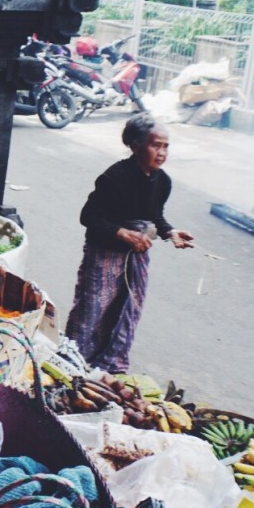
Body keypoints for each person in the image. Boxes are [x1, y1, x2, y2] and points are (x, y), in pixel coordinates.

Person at [65, 114, 194, 373]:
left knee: (124, 309)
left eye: (166, 146)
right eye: (155, 145)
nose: (162, 153)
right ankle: (71, 363)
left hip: (135, 255)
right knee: (92, 310)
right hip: (104, 253)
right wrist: (122, 233)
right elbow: (89, 216)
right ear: (136, 145)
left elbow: (154, 216)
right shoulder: (115, 177)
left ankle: (108, 365)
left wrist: (170, 232)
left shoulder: (162, 181)